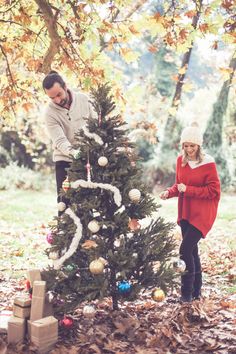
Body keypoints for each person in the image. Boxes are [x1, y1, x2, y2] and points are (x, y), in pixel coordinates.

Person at [159, 123, 221, 302]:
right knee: (192, 251)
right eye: (185, 145)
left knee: (184, 249)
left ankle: (186, 294)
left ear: (199, 146)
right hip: (186, 211)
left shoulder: (208, 163)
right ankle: (196, 291)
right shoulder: (181, 161)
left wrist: (189, 189)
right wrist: (169, 192)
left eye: (192, 146)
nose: (189, 149)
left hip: (202, 213)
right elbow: (179, 185)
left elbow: (214, 192)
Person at [42, 71, 96, 207]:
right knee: (65, 203)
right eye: (52, 98)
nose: (57, 100)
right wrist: (75, 153)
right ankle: (64, 228)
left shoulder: (84, 100)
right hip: (65, 161)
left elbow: (96, 125)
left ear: (65, 86)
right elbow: (60, 141)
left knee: (86, 203)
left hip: (89, 159)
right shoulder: (49, 113)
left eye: (59, 94)